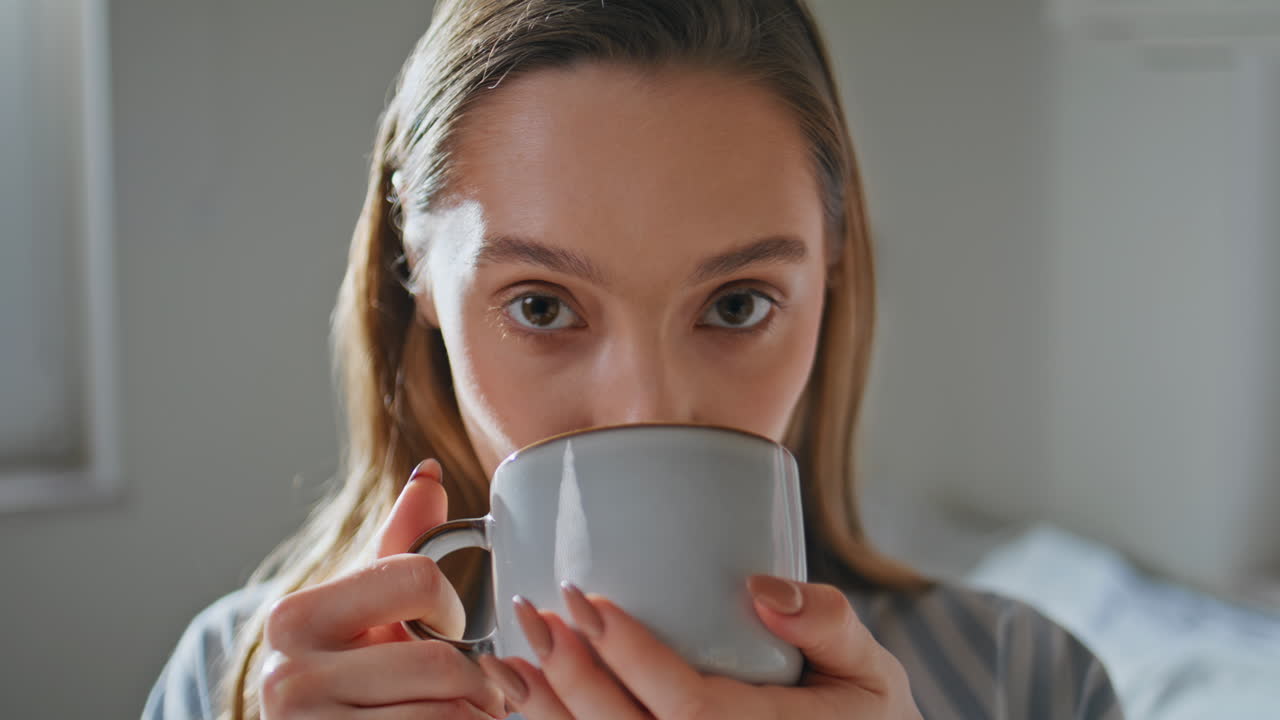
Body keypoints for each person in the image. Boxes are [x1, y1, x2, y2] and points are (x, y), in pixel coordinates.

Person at [144, 1, 1125, 718]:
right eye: (540, 306)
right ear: (420, 284)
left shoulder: (1026, 683)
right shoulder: (236, 681)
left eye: (735, 305)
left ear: (830, 278)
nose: (644, 406)